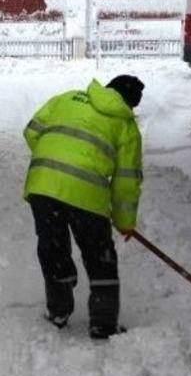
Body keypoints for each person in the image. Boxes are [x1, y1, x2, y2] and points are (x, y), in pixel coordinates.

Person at [23, 75, 145, 340]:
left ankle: (58, 310)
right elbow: (126, 181)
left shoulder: (66, 98)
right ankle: (103, 325)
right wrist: (125, 221)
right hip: (87, 196)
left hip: (43, 186)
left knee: (53, 248)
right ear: (130, 104)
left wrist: (56, 156)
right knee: (100, 258)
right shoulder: (125, 126)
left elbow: (32, 131)